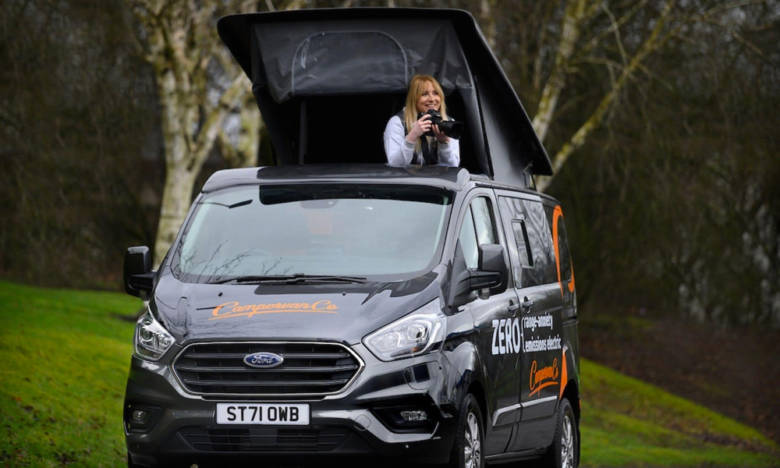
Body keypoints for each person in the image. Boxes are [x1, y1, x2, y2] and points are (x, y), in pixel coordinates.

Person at [383, 75, 460, 167]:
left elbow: (453, 167)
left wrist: (444, 144)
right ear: (413, 98)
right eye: (424, 94)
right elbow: (395, 165)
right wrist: (412, 137)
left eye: (436, 93)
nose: (432, 99)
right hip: (407, 176)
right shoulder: (398, 122)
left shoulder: (448, 122)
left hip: (438, 176)